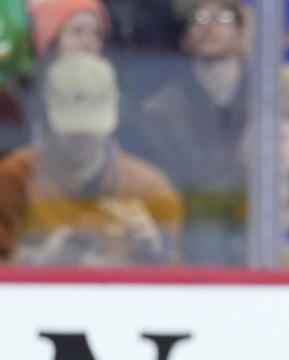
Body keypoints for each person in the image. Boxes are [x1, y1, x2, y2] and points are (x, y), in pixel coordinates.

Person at [0, 53, 182, 264]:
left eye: (91, 123)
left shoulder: (151, 188)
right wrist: (38, 262)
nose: (82, 134)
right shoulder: (12, 178)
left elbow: (186, 284)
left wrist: (153, 252)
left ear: (114, 117)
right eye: (71, 124)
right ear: (47, 116)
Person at [140, 0, 250, 264]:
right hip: (197, 225)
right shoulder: (160, 110)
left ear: (240, 31)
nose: (209, 26)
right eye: (198, 18)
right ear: (184, 38)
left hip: (259, 214)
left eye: (221, 17)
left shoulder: (270, 100)